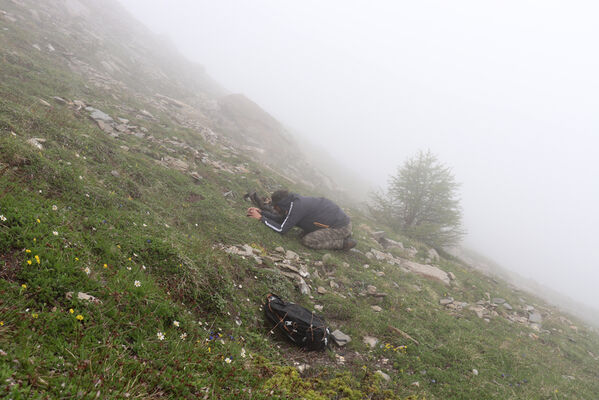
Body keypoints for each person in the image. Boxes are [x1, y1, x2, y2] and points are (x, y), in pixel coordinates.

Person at [246, 190, 357, 250]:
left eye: (275, 207)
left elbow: (281, 229)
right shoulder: (293, 204)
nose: (274, 209)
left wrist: (260, 218)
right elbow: (281, 220)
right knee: (301, 235)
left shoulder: (296, 208)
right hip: (330, 221)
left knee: (307, 240)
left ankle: (343, 242)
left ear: (281, 204)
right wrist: (262, 213)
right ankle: (339, 235)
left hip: (340, 226)